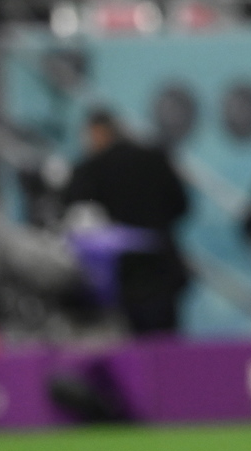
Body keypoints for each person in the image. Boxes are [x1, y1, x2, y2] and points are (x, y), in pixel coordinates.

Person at [62, 109, 189, 334]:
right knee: (166, 345)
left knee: (128, 346)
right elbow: (181, 206)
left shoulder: (93, 168)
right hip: (162, 270)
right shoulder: (155, 159)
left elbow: (75, 213)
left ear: (97, 133)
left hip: (120, 276)